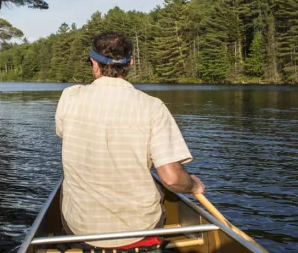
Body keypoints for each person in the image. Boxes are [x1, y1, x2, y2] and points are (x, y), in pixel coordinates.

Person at [55, 31, 205, 249]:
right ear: (131, 63)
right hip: (139, 229)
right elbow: (172, 180)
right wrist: (194, 185)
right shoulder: (153, 107)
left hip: (80, 228)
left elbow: (63, 132)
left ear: (94, 63)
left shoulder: (69, 96)